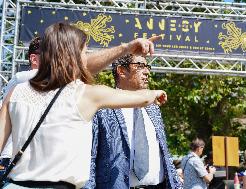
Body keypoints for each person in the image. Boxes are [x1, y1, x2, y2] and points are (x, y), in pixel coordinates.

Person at [0, 23, 166, 189]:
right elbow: (143, 99)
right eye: (85, 52)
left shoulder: (16, 91)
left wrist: (126, 48)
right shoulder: (85, 94)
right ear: (73, 56)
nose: (87, 57)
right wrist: (155, 93)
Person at [84, 54, 182, 189]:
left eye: (147, 67)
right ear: (121, 71)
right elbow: (90, 159)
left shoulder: (153, 107)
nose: (147, 72)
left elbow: (164, 152)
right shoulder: (103, 107)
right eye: (140, 66)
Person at [0, 37, 41, 169]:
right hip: (10, 155)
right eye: (51, 55)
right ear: (34, 59)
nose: (56, 60)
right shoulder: (22, 78)